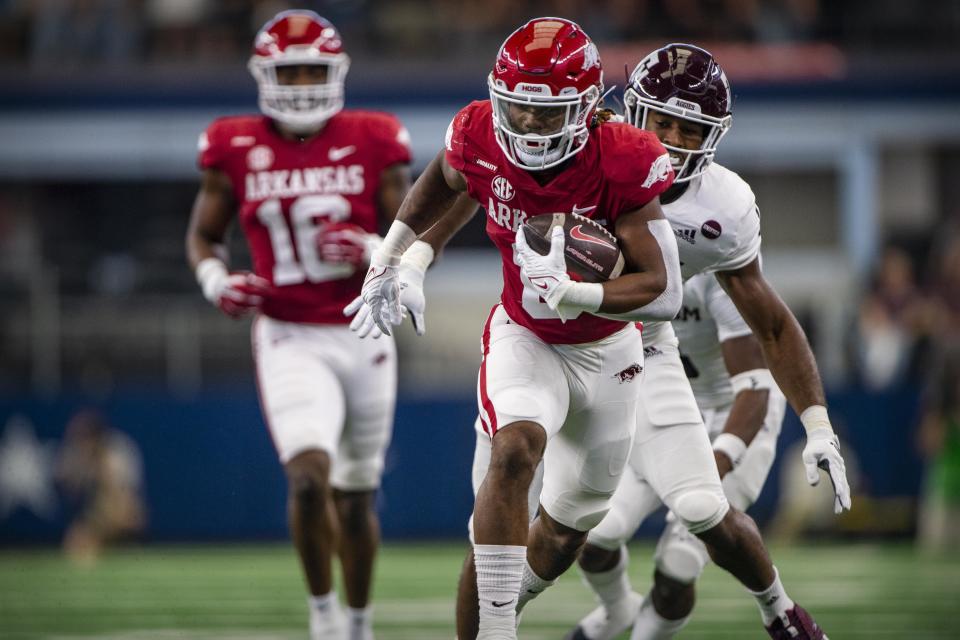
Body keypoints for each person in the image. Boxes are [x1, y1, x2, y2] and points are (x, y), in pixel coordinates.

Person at [348, 17, 685, 640]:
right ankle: (498, 631)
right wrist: (393, 254)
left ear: (585, 108)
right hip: (524, 336)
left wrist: (579, 291)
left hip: (609, 354)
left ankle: (512, 602)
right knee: (512, 456)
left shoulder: (622, 158)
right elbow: (443, 180)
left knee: (564, 532)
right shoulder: (479, 130)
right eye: (518, 109)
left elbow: (665, 293)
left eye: (546, 113)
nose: (527, 125)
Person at [550, 43, 850, 640]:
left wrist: (815, 425)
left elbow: (764, 353)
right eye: (661, 122)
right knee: (595, 534)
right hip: (648, 393)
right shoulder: (598, 176)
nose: (669, 141)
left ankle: (775, 615)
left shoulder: (721, 223)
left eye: (689, 129)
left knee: (683, 554)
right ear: (633, 113)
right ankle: (614, 614)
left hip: (728, 413)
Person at [184, 11, 413, 640]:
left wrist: (371, 247)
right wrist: (217, 280)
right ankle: (323, 618)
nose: (305, 82)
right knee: (309, 481)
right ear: (265, 75)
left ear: (337, 70)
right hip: (287, 332)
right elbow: (205, 236)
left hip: (362, 327)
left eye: (315, 68)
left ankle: (360, 621)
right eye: (292, 70)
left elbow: (413, 235)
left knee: (356, 493)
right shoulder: (231, 144)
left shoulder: (375, 137)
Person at [567, 272, 786, 640]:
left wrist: (709, 468)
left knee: (678, 567)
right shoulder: (626, 259)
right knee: (593, 534)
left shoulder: (720, 276)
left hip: (739, 415)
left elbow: (755, 389)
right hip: (666, 407)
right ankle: (618, 608)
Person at [56, 409, 145, 567]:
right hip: (97, 515)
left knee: (81, 544)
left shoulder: (116, 453)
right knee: (74, 545)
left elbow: (123, 500)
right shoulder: (78, 454)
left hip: (120, 514)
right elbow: (70, 491)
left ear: (94, 437)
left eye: (82, 437)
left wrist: (98, 529)